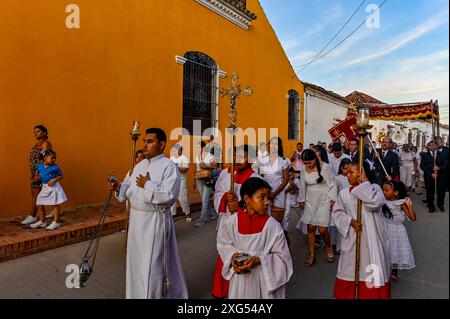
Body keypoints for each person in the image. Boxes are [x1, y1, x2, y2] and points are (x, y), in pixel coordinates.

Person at [111, 128, 188, 299]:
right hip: (137, 221)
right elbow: (130, 190)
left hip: (155, 220)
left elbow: (169, 196)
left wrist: (148, 184)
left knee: (153, 265)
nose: (144, 145)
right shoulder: (140, 165)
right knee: (136, 263)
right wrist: (120, 188)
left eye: (150, 141)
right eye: (144, 141)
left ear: (162, 144)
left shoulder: (169, 167)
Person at [216, 177, 293, 298]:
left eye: (268, 197)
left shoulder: (272, 226)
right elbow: (224, 244)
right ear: (247, 199)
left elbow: (283, 257)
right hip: (239, 281)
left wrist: (260, 260)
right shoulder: (231, 223)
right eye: (262, 197)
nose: (266, 202)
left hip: (263, 279)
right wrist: (232, 256)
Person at [332, 162, 391, 299]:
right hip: (353, 237)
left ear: (361, 173)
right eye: (347, 172)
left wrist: (364, 183)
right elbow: (337, 213)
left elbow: (374, 203)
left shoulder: (374, 188)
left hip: (372, 240)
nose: (347, 175)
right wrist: (349, 221)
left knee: (370, 269)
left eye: (352, 172)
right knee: (349, 269)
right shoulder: (344, 193)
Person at [211, 144, 262, 299]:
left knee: (243, 259)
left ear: (252, 159)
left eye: (242, 156)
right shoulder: (226, 175)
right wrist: (225, 197)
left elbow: (260, 208)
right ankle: (219, 292)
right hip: (227, 224)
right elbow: (218, 193)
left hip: (245, 228)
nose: (237, 160)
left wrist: (238, 206)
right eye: (235, 156)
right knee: (225, 255)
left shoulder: (256, 180)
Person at [298, 149, 337, 266]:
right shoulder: (304, 170)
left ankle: (329, 248)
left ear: (315, 158)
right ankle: (312, 254)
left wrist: (333, 200)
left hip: (323, 200)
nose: (307, 165)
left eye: (309, 163)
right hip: (310, 200)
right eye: (305, 163)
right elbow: (302, 185)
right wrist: (301, 200)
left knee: (322, 229)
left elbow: (332, 184)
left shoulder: (326, 167)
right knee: (310, 228)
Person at [381, 180, 416, 283]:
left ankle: (394, 272)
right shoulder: (382, 202)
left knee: (395, 251)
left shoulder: (401, 203)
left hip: (397, 231)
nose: (384, 192)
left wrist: (408, 204)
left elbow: (412, 218)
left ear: (396, 192)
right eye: (383, 190)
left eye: (387, 190)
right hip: (385, 228)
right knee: (386, 250)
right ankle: (385, 270)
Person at [254, 137, 290, 224]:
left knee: (278, 217)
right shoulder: (263, 160)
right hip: (265, 190)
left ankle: (280, 234)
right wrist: (265, 191)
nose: (273, 146)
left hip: (279, 190)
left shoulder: (283, 160)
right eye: (271, 144)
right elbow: (260, 176)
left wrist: (275, 193)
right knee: (265, 214)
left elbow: (286, 179)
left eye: (276, 144)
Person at [22, 125, 53, 225]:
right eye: (34, 131)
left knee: (36, 193)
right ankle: (53, 210)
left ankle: (33, 216)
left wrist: (38, 174)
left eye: (38, 131)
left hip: (40, 172)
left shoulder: (45, 144)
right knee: (35, 192)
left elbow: (45, 160)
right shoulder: (38, 144)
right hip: (36, 172)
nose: (35, 133)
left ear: (44, 133)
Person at [30, 150, 67, 230]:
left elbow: (61, 176)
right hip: (45, 187)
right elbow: (37, 173)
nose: (54, 160)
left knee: (55, 204)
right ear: (45, 158)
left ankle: (56, 222)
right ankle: (43, 221)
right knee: (39, 203)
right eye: (52, 158)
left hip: (54, 187)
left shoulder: (55, 167)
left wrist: (54, 180)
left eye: (55, 158)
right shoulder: (39, 166)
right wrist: (36, 177)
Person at [194, 141, 217, 227]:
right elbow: (195, 168)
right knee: (204, 199)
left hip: (207, 179)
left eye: (198, 147)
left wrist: (206, 166)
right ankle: (211, 214)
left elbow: (215, 167)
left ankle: (201, 220)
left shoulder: (211, 157)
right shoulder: (197, 157)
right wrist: (194, 180)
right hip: (199, 179)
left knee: (204, 200)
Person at [170, 145, 192, 222]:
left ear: (181, 150)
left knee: (182, 198)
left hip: (182, 180)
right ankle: (172, 215)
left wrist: (176, 168)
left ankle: (188, 214)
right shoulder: (172, 158)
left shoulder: (184, 158)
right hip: (173, 181)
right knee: (172, 198)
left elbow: (185, 169)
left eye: (177, 150)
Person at [435, 136, 449, 211]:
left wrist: (439, 168)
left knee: (441, 190)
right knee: (431, 188)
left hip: (443, 173)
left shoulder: (447, 150)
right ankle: (430, 201)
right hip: (432, 173)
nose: (440, 143)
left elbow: (447, 164)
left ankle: (440, 203)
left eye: (441, 142)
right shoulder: (432, 149)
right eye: (438, 142)